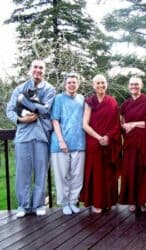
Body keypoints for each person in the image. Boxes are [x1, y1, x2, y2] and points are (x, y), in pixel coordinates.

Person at [6, 59, 56, 218]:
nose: (38, 70)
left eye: (41, 67)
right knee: (23, 173)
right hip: (23, 137)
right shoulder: (19, 88)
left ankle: (39, 204)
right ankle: (23, 206)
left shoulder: (50, 89)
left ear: (44, 70)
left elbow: (45, 110)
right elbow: (10, 110)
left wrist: (25, 103)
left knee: (41, 172)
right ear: (30, 69)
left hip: (42, 136)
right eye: (35, 67)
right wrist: (21, 119)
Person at [80, 74, 121, 213]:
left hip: (109, 142)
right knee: (96, 173)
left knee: (108, 173)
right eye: (97, 83)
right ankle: (97, 203)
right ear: (93, 86)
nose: (100, 85)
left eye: (103, 83)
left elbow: (117, 124)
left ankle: (108, 201)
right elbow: (85, 124)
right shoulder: (89, 101)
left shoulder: (113, 102)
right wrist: (99, 138)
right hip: (94, 141)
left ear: (107, 84)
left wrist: (108, 137)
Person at [119, 77, 146, 212]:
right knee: (131, 171)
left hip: (144, 142)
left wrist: (134, 124)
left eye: (136, 84)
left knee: (143, 172)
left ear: (141, 85)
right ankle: (132, 201)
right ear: (128, 86)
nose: (134, 87)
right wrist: (127, 126)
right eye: (131, 84)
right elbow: (122, 123)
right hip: (130, 143)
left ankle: (142, 202)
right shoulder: (125, 105)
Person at [50, 73, 86, 215]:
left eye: (74, 82)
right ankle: (65, 203)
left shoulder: (82, 99)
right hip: (60, 145)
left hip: (80, 143)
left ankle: (73, 201)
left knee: (77, 175)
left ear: (78, 84)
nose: (72, 84)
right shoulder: (58, 99)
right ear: (65, 84)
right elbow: (55, 120)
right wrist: (61, 141)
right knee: (62, 175)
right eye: (69, 82)